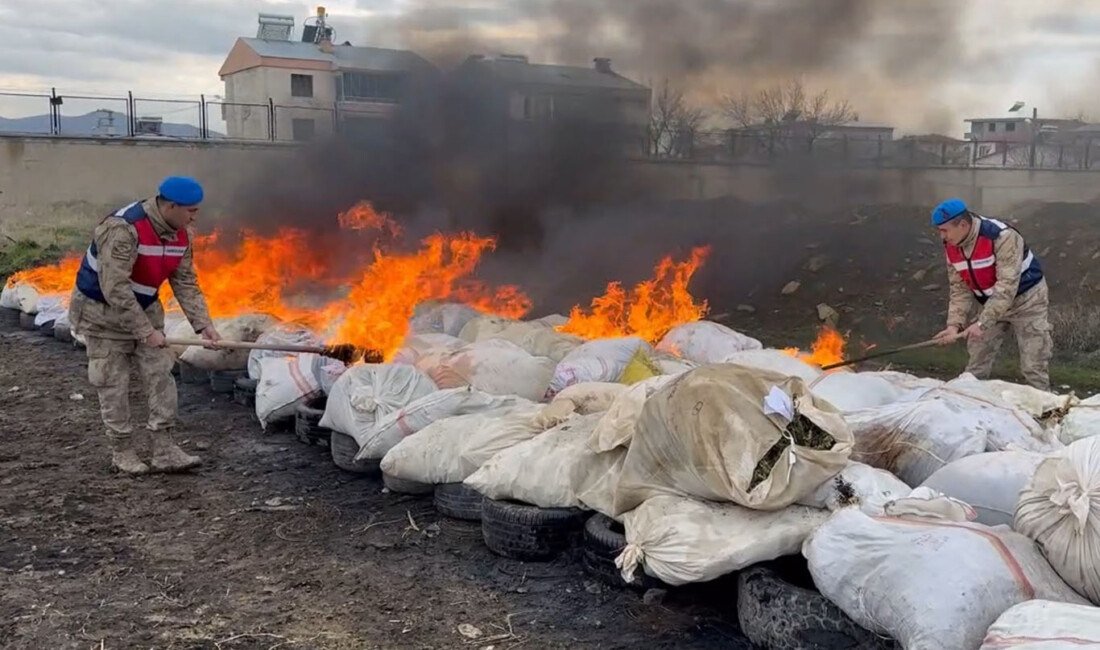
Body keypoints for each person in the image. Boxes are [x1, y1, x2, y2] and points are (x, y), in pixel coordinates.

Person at [69, 176, 221, 475]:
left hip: (145, 306)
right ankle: (122, 451)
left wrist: (203, 325)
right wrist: (144, 332)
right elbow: (115, 289)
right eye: (190, 210)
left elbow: (185, 281)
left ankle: (164, 449)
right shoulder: (123, 229)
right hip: (101, 313)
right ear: (170, 205)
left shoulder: (182, 234)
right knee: (113, 382)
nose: (195, 217)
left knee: (161, 375)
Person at [930, 198, 1053, 390]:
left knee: (1033, 365)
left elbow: (1006, 286)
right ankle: (971, 404)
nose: (942, 237)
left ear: (963, 224)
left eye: (944, 230)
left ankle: (1044, 412)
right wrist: (954, 325)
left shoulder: (1002, 237)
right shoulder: (952, 247)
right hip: (990, 303)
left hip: (1027, 301)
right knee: (976, 364)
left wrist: (982, 323)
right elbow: (959, 288)